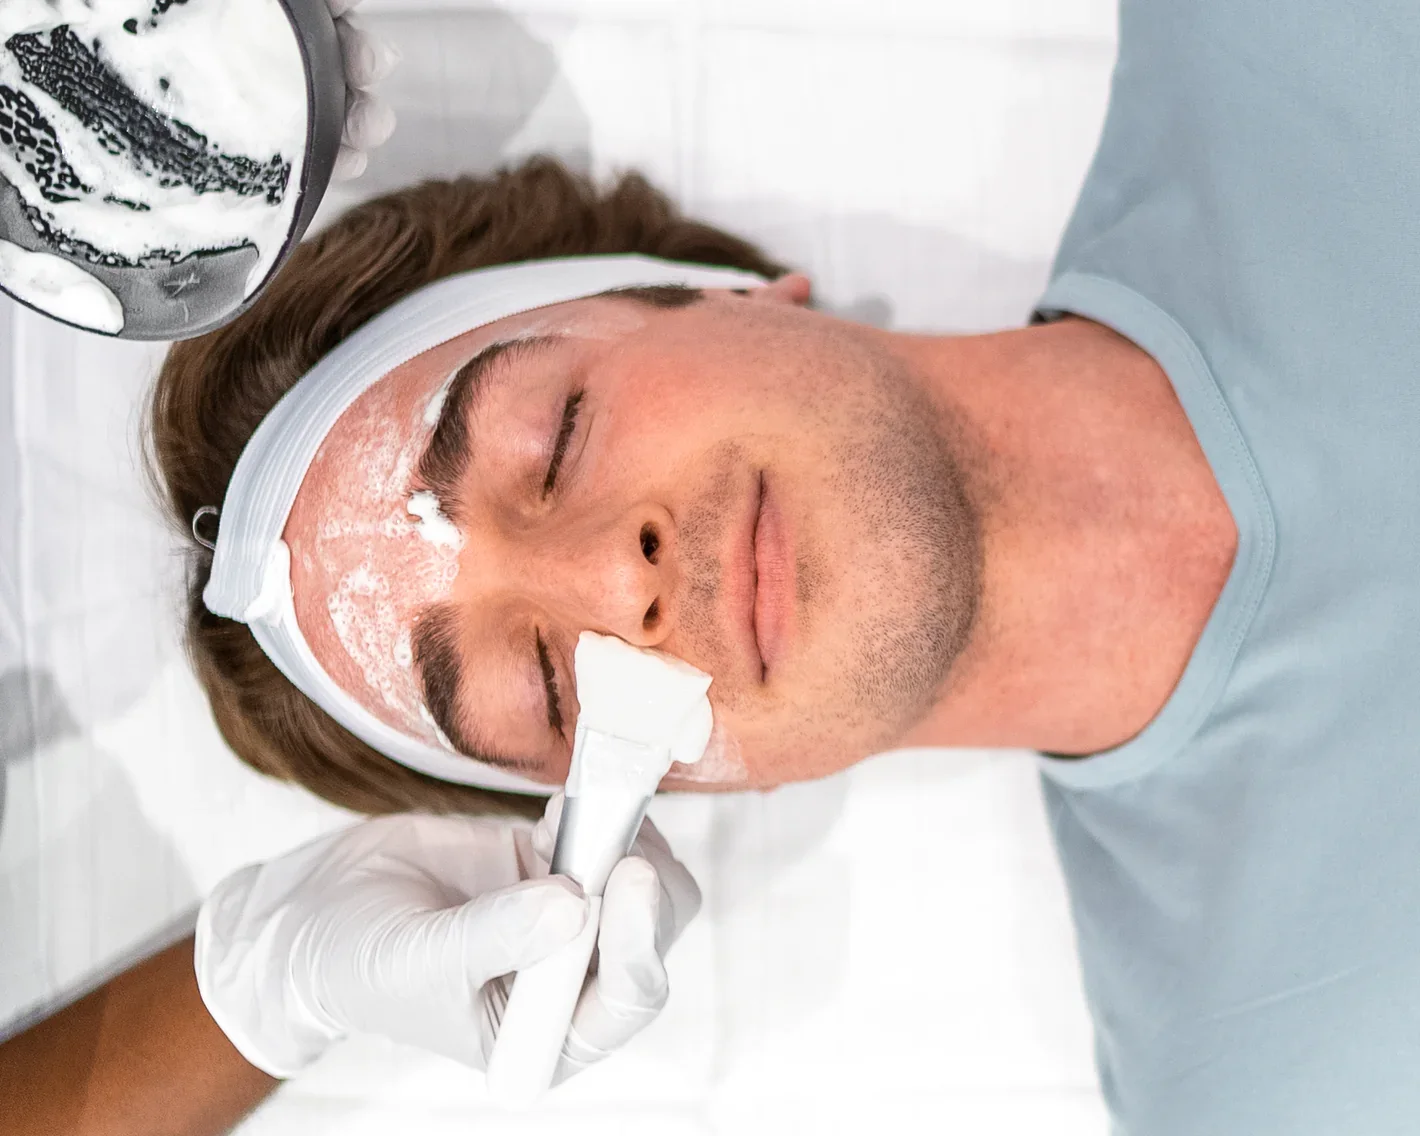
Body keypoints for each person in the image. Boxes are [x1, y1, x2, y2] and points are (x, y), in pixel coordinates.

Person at [144, 0, 1420, 1130]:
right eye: (543, 683)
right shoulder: (1268, 1088)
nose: (612, 588)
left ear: (713, 289)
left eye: (557, 438)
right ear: (654, 796)